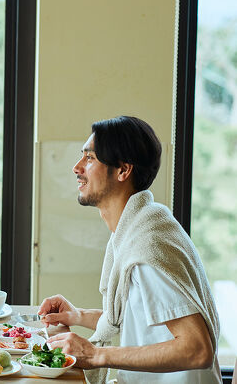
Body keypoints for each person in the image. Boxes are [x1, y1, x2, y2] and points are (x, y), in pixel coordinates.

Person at [38, 116, 221, 383]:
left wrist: (97, 354)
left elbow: (197, 349)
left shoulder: (148, 248)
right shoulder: (144, 228)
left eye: (90, 159)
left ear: (123, 170)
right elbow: (148, 320)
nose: (77, 167)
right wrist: (77, 316)